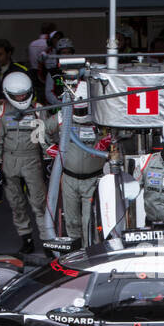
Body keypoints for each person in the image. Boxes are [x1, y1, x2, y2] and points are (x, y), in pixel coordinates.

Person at [0, 70, 58, 254]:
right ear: (8, 94)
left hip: (31, 159)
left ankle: (47, 241)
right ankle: (26, 238)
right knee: (16, 203)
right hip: (9, 159)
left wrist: (47, 159)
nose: (21, 97)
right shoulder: (2, 110)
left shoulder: (38, 109)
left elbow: (44, 137)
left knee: (39, 203)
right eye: (17, 95)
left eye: (24, 93)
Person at [0, 39, 32, 207]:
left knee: (19, 152)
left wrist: (10, 103)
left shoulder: (21, 71)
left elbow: (32, 95)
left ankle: (24, 192)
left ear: (9, 53)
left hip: (16, 118)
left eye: (1, 54)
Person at [60, 82, 108, 245]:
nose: (80, 114)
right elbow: (42, 130)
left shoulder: (102, 120)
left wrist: (108, 142)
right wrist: (50, 150)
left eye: (83, 110)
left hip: (93, 180)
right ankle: (73, 254)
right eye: (77, 109)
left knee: (90, 222)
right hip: (69, 178)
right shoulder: (63, 117)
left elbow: (122, 136)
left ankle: (88, 255)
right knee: (72, 221)